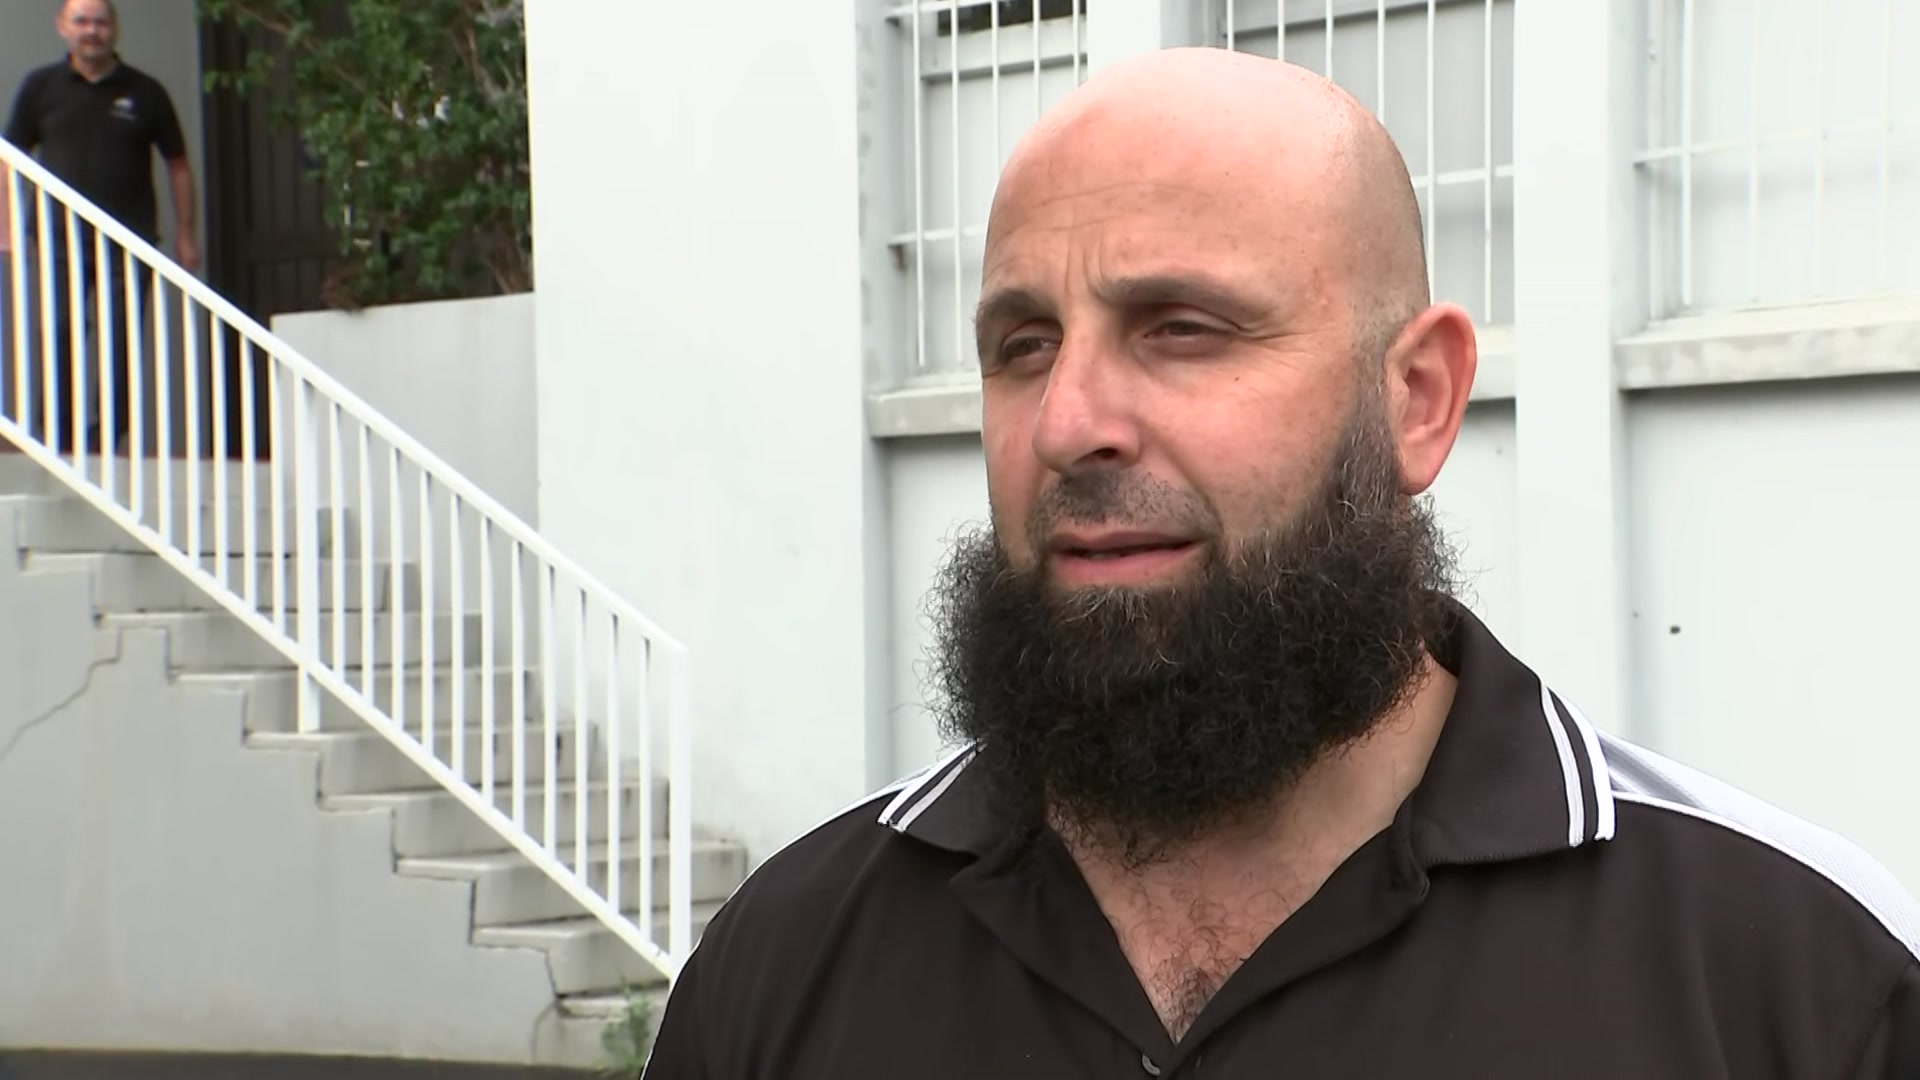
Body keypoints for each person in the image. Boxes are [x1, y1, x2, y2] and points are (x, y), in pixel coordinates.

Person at [644, 49, 1920, 1078]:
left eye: (1183, 330)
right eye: (1023, 345)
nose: (1067, 420)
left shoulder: (1786, 976)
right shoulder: (790, 960)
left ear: (1418, 399)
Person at [1, 0, 199, 453]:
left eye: (101, 22)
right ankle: (59, 431)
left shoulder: (146, 92)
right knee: (61, 332)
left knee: (120, 339)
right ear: (62, 27)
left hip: (128, 243)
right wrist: (8, 226)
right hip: (57, 240)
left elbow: (178, 164)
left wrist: (186, 233)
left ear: (115, 29)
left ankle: (109, 432)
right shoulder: (41, 87)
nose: (92, 31)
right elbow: (9, 158)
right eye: (82, 22)